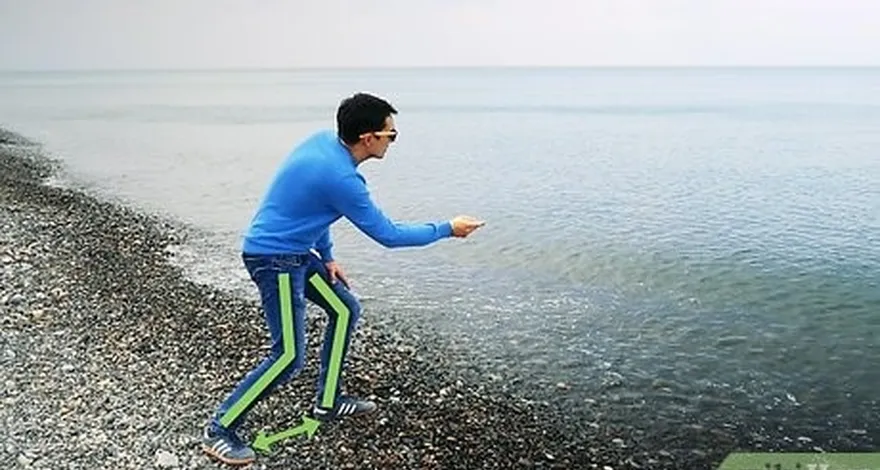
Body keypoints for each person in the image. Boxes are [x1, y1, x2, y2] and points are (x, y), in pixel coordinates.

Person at [201, 92, 486, 465]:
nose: (393, 140)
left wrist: (329, 256)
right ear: (368, 138)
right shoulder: (342, 178)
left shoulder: (325, 144)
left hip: (300, 253)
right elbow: (389, 235)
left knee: (344, 308)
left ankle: (328, 401)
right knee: (287, 356)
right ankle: (219, 429)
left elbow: (314, 208)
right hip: (274, 259)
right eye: (391, 135)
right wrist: (448, 228)